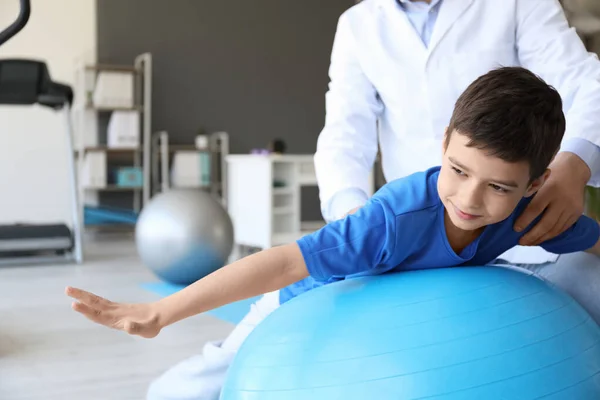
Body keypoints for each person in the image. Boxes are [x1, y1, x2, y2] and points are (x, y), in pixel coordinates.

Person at [67, 67, 600, 399]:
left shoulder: (532, 211)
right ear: (444, 143)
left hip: (407, 325)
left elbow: (588, 239)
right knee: (181, 392)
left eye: (499, 188)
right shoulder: (393, 220)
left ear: (536, 183)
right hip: (305, 304)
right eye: (458, 171)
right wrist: (162, 311)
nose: (469, 200)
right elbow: (283, 264)